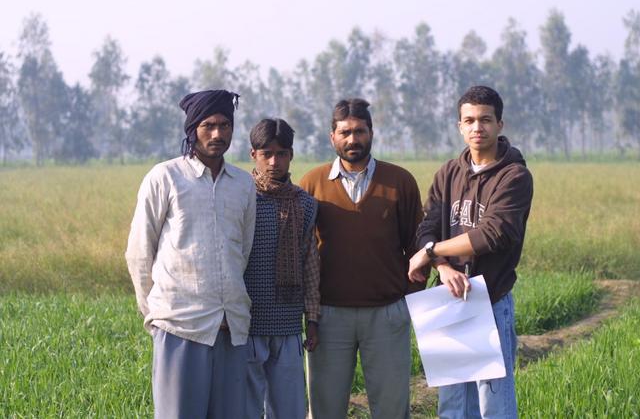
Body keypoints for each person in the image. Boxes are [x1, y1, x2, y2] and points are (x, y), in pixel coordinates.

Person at [125, 89, 256, 419]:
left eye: (225, 125)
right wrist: (155, 314)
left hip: (231, 327)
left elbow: (243, 250)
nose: (217, 134)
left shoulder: (243, 184)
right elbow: (139, 252)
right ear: (192, 129)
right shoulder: (165, 177)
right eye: (208, 125)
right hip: (179, 327)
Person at [409, 85, 533, 419]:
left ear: (499, 125)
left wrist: (431, 251)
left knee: (493, 405)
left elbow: (492, 234)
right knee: (452, 406)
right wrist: (442, 265)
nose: (477, 127)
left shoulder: (514, 176)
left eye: (485, 120)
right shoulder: (449, 172)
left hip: (489, 301)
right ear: (460, 126)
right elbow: (426, 228)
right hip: (448, 298)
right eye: (470, 120)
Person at [299, 98, 423, 419]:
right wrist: (309, 312)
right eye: (345, 133)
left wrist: (407, 303)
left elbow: (418, 246)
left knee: (392, 407)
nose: (353, 139)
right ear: (332, 137)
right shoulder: (311, 184)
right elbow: (302, 249)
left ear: (371, 133)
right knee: (325, 407)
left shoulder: (400, 182)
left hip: (386, 314)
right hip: (328, 317)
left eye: (359, 131)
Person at [243, 118, 320, 419]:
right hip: (246, 325)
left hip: (288, 325)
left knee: (288, 410)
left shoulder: (305, 203)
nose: (275, 162)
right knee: (245, 409)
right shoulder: (241, 197)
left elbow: (310, 263)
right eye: (267, 154)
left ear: (291, 155)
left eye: (282, 153)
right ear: (254, 155)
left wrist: (312, 319)